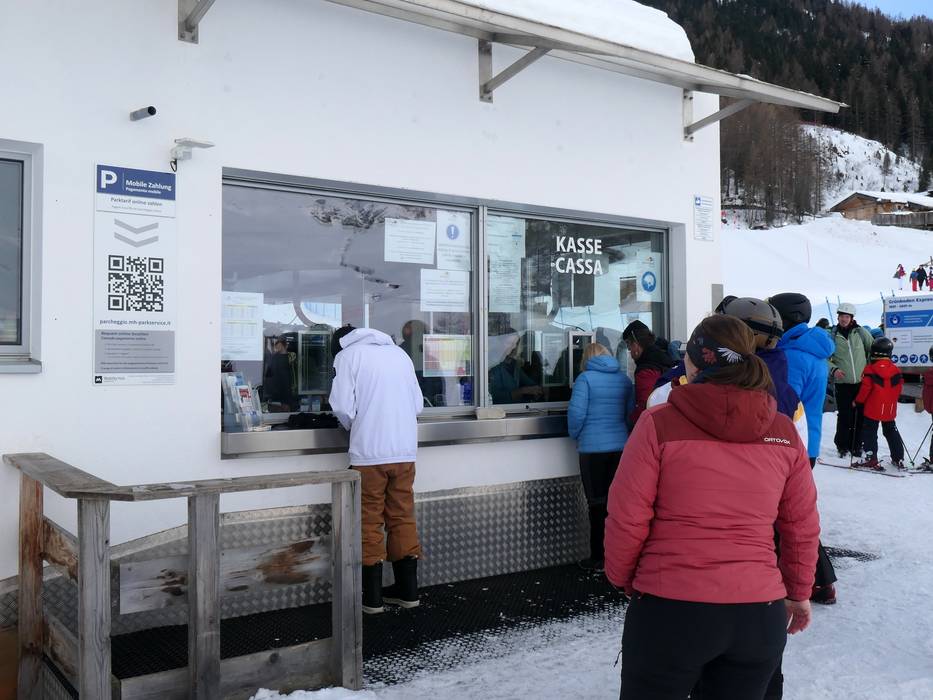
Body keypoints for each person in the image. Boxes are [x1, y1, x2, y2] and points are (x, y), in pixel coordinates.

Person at [605, 315, 820, 700]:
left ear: (694, 362)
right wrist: (799, 590)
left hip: (669, 607)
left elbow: (628, 516)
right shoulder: (784, 431)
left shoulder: (657, 423)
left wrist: (624, 577)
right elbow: (801, 525)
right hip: (758, 611)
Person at [328, 324, 425, 615]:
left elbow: (342, 407)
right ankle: (408, 592)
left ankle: (371, 599)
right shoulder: (399, 354)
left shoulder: (347, 356)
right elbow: (417, 404)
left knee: (369, 520)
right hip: (404, 451)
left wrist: (355, 426)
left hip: (369, 453)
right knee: (402, 516)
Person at [768, 293, 838, 606]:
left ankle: (818, 581)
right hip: (806, 441)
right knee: (792, 513)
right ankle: (815, 580)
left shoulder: (793, 355)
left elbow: (784, 403)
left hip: (791, 442)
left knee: (790, 516)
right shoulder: (810, 349)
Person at [567, 343, 634, 571]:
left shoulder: (585, 379)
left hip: (593, 449)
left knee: (597, 504)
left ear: (586, 358)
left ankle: (598, 558)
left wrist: (576, 435)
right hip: (620, 448)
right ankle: (619, 558)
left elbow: (576, 414)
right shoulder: (624, 380)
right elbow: (629, 414)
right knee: (616, 504)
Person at [852, 337, 905, 470]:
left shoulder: (870, 369)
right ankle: (898, 457)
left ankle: (871, 458)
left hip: (873, 407)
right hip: (889, 407)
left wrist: (858, 401)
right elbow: (899, 388)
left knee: (869, 432)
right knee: (891, 430)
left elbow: (865, 389)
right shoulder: (896, 370)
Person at [829, 303, 873, 458]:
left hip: (861, 383)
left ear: (852, 318)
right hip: (843, 384)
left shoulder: (861, 332)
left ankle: (856, 445)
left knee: (860, 415)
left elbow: (872, 349)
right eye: (841, 316)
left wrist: (869, 370)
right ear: (838, 317)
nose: (844, 319)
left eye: (847, 316)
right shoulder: (832, 335)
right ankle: (842, 445)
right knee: (845, 415)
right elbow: (824, 357)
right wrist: (833, 369)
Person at [622, 320, 675, 425]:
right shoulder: (665, 359)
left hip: (654, 425)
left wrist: (631, 422)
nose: (630, 352)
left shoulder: (645, 370)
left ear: (636, 345)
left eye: (629, 346)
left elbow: (645, 406)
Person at [488, 331, 543, 404]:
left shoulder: (514, 364)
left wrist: (539, 389)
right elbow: (494, 397)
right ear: (500, 345)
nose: (513, 347)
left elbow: (529, 383)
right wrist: (522, 391)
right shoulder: (492, 365)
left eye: (516, 344)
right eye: (509, 343)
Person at [263, 337, 295, 411]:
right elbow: (269, 376)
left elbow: (287, 378)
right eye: (276, 345)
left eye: (278, 345)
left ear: (285, 346)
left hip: (286, 392)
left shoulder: (290, 358)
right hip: (278, 393)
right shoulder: (275, 358)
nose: (277, 347)